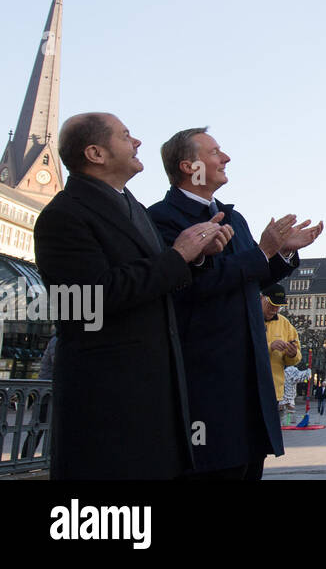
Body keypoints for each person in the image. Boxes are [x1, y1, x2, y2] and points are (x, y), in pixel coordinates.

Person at [33, 112, 230, 479]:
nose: (138, 142)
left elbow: (155, 283)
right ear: (96, 153)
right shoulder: (63, 216)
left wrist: (197, 259)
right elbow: (82, 302)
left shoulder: (133, 207)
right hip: (108, 404)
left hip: (153, 399)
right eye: (126, 136)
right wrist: (177, 256)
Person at [148, 126, 323, 479]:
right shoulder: (163, 218)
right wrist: (263, 251)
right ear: (188, 166)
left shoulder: (234, 218)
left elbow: (249, 277)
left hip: (249, 382)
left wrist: (283, 253)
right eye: (215, 152)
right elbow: (191, 285)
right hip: (208, 380)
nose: (225, 158)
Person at [262, 286, 302, 425]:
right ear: (261, 298)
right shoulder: (249, 318)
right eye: (272, 304)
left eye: (278, 306)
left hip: (274, 391)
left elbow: (296, 356)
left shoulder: (284, 323)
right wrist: (269, 347)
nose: (275, 309)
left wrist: (292, 355)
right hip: (248, 388)